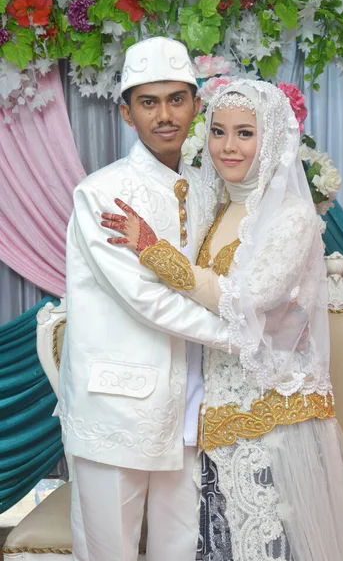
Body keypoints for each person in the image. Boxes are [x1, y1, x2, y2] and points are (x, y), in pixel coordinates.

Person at [102, 80, 343, 560]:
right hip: (218, 414)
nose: (228, 146)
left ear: (270, 141)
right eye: (219, 131)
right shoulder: (219, 206)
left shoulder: (291, 217)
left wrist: (155, 252)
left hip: (274, 417)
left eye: (245, 133)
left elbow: (248, 298)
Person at [58, 37, 234, 561]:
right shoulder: (103, 193)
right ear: (127, 113)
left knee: (180, 549)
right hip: (117, 407)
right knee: (106, 549)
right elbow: (146, 300)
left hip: (192, 403)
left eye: (177, 99)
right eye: (149, 102)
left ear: (196, 105)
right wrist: (239, 336)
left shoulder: (210, 188)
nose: (165, 115)